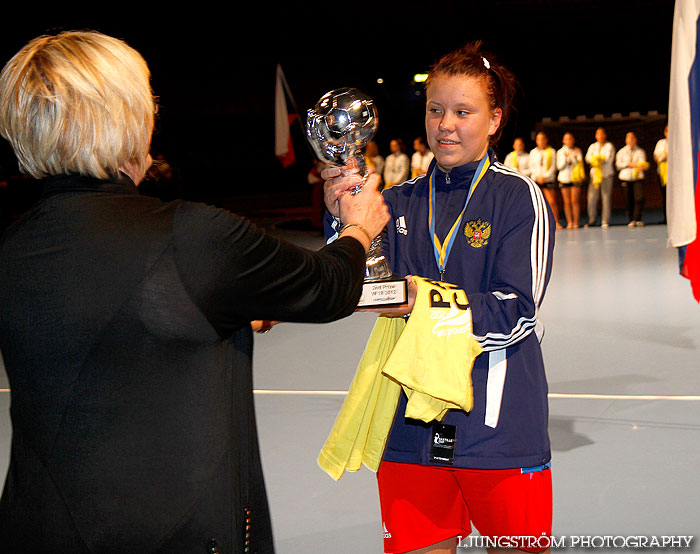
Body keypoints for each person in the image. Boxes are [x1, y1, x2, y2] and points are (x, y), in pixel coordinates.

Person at [0, 30, 389, 554]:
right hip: (174, 534)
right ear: (126, 118)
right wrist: (359, 227)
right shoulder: (191, 236)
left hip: (36, 528)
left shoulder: (13, 246)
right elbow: (330, 288)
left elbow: (108, 329)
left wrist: (221, 315)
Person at [324, 41, 555, 554]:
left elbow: (517, 312)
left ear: (495, 120)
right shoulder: (399, 199)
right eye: (435, 110)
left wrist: (419, 299)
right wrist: (346, 218)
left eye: (462, 111)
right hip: (407, 425)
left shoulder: (519, 198)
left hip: (495, 426)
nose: (444, 124)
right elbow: (355, 288)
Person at [584, 127, 616, 228]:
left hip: (606, 175)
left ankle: (605, 220)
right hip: (595, 176)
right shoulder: (592, 147)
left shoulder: (609, 146)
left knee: (606, 198)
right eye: (598, 134)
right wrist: (596, 159)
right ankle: (592, 219)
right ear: (596, 136)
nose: (600, 136)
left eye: (602, 134)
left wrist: (597, 159)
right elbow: (588, 158)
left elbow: (607, 159)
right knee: (591, 198)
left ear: (605, 135)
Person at [615, 131, 648, 227]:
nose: (631, 140)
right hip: (626, 177)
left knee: (639, 198)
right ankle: (631, 219)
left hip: (637, 177)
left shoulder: (640, 151)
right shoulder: (621, 152)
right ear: (626, 140)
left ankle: (638, 218)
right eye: (629, 138)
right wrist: (630, 164)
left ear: (636, 140)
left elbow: (642, 163)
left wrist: (632, 164)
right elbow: (618, 165)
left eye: (633, 138)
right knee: (628, 199)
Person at [529, 131, 561, 229]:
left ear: (546, 140)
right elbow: (531, 166)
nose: (541, 141)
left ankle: (556, 222)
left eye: (543, 139)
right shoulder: (533, 152)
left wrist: (545, 177)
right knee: (537, 203)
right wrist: (537, 176)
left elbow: (553, 166)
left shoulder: (551, 151)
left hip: (547, 179)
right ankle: (539, 224)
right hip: (536, 179)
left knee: (551, 201)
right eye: (539, 139)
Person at [556, 132, 585, 229]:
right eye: (566, 139)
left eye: (570, 139)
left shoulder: (577, 150)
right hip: (564, 178)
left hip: (575, 178)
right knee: (567, 202)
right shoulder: (560, 152)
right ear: (563, 141)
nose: (569, 141)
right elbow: (559, 166)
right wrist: (566, 158)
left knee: (574, 201)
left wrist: (572, 157)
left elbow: (579, 163)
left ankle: (576, 222)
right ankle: (569, 222)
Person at [654, 125, 668, 223]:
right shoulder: (661, 143)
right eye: (667, 131)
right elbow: (658, 157)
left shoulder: (677, 142)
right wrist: (665, 155)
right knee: (665, 196)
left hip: (676, 175)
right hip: (663, 174)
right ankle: (667, 218)